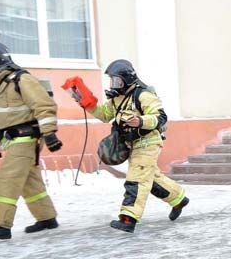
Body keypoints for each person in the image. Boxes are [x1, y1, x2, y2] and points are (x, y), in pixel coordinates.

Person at [81, 59, 189, 232]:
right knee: (150, 178)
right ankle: (178, 199)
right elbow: (104, 115)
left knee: (137, 178)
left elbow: (160, 117)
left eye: (117, 80)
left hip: (148, 143)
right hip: (132, 143)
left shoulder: (143, 95)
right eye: (112, 80)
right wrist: (88, 104)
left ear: (127, 79)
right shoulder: (117, 99)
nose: (114, 84)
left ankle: (128, 218)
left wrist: (140, 121)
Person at [0, 42, 62, 240]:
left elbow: (44, 106)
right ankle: (47, 218)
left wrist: (49, 133)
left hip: (25, 138)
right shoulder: (0, 83)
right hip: (14, 140)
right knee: (30, 182)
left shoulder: (22, 79)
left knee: (6, 179)